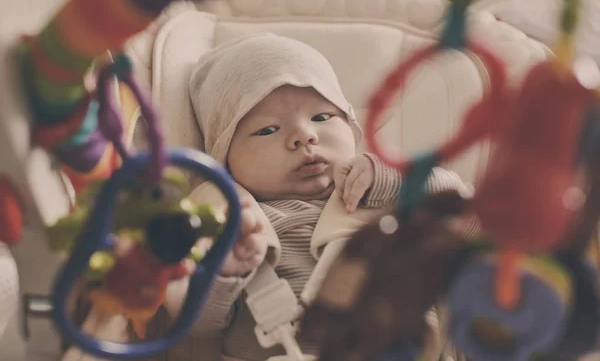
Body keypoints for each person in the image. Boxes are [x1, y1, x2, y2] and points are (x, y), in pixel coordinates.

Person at [147, 33, 476, 361]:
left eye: (322, 117)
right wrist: (223, 272)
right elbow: (196, 324)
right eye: (267, 129)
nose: (304, 135)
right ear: (224, 157)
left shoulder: (379, 188)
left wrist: (390, 179)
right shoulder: (225, 213)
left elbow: (464, 209)